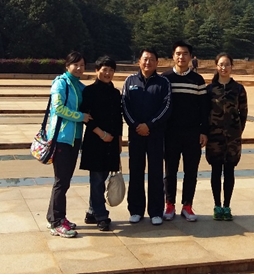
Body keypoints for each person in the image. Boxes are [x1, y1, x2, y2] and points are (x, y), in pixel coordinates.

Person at [122, 49, 172, 225]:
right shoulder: (130, 81)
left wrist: (149, 125)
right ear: (139, 61)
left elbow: (167, 107)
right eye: (145, 59)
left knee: (156, 172)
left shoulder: (163, 82)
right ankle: (136, 210)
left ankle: (156, 211)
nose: (148, 62)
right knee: (136, 171)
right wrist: (136, 125)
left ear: (157, 63)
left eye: (151, 59)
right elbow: (125, 106)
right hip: (136, 134)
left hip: (156, 134)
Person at [162, 41, 209, 222]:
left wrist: (204, 131)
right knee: (170, 171)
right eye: (178, 53)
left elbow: (204, 109)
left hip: (192, 133)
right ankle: (169, 204)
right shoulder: (165, 78)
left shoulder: (197, 80)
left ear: (191, 57)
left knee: (191, 171)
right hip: (170, 133)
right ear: (173, 56)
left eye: (185, 54)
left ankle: (187, 205)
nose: (181, 57)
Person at [47, 51, 93, 238]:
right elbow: (58, 108)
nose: (80, 68)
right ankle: (57, 222)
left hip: (75, 139)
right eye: (76, 64)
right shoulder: (61, 83)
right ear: (67, 66)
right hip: (61, 138)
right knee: (61, 181)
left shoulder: (80, 86)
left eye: (82, 65)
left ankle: (55, 217)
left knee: (64, 181)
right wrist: (81, 117)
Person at [79, 56, 122, 232]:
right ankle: (101, 215)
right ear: (97, 71)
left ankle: (92, 211)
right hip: (95, 141)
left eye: (111, 70)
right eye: (104, 69)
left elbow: (118, 119)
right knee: (97, 180)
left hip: (111, 142)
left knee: (103, 177)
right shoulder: (89, 91)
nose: (108, 73)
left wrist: (119, 140)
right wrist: (101, 134)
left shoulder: (115, 93)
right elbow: (86, 117)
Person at [206, 53, 248, 221]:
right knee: (216, 171)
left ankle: (227, 206)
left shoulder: (238, 89)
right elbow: (205, 113)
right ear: (216, 66)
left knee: (229, 171)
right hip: (214, 138)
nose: (224, 68)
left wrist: (237, 132)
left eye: (227, 64)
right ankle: (217, 206)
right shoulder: (210, 89)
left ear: (232, 66)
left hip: (232, 139)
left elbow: (243, 113)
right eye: (221, 64)